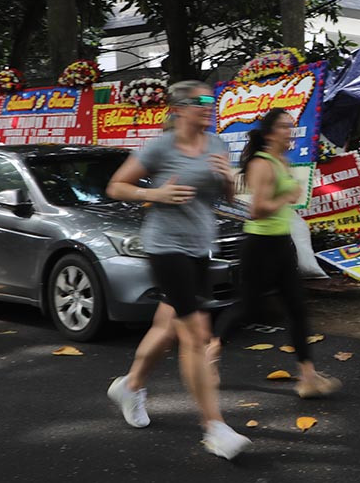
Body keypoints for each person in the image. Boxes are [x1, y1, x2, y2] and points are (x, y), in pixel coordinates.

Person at [104, 80, 250, 460]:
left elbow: (225, 197)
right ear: (179, 108)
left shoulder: (216, 143)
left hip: (200, 246)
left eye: (211, 101)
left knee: (165, 326)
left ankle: (130, 386)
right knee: (196, 334)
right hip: (165, 246)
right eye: (200, 101)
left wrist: (227, 181)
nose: (208, 106)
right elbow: (116, 186)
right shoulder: (160, 147)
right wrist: (154, 194)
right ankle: (214, 427)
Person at [208, 108, 340, 399]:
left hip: (282, 243)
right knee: (248, 308)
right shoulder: (262, 163)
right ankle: (211, 354)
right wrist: (286, 196)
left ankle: (307, 377)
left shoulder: (282, 161)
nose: (288, 131)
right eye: (282, 127)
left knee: (297, 308)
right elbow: (256, 211)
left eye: (290, 126)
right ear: (269, 133)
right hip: (260, 246)